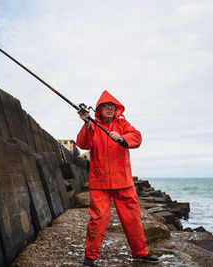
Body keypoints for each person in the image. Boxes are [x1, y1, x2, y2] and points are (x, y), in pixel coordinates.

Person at [76, 90, 159, 266]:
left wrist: (122, 138)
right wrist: (87, 124)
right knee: (98, 220)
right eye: (106, 105)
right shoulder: (93, 124)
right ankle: (90, 256)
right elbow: (83, 143)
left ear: (116, 109)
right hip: (100, 182)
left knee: (132, 219)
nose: (109, 108)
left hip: (123, 181)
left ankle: (140, 253)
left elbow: (137, 137)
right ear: (98, 109)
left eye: (112, 106)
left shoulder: (122, 123)